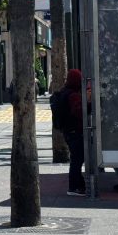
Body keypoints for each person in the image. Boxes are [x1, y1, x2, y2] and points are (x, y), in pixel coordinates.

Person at [53, 69, 86, 197]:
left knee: (76, 159)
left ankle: (78, 185)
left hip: (67, 131)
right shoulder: (73, 95)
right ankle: (74, 186)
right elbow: (79, 112)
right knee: (77, 160)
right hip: (75, 131)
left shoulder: (64, 92)